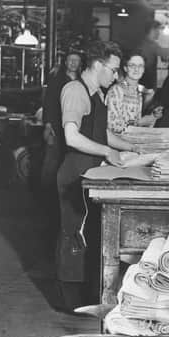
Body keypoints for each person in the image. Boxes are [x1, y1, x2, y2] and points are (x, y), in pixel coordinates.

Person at [56, 40, 134, 311]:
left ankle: (87, 296)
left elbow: (102, 133)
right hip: (75, 171)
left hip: (91, 170)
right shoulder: (75, 91)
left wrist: (133, 146)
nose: (115, 76)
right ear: (98, 65)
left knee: (89, 232)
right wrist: (107, 151)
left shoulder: (97, 93)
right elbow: (71, 136)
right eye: (113, 70)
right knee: (73, 235)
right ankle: (71, 303)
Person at [40, 50, 82, 249]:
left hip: (72, 127)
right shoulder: (58, 79)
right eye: (71, 60)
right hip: (57, 126)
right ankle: (47, 198)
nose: (73, 63)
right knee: (52, 161)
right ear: (66, 61)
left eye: (77, 61)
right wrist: (48, 125)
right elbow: (48, 103)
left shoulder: (81, 80)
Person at [106, 51, 162, 135]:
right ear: (125, 68)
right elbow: (112, 127)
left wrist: (153, 116)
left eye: (140, 66)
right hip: (117, 144)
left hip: (133, 141)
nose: (137, 69)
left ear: (144, 69)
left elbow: (139, 127)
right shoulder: (116, 91)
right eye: (132, 65)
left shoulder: (139, 91)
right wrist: (139, 122)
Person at [137, 20, 169, 92]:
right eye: (158, 30)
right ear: (152, 30)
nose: (159, 33)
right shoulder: (151, 45)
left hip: (141, 81)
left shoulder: (143, 42)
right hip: (147, 83)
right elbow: (166, 56)